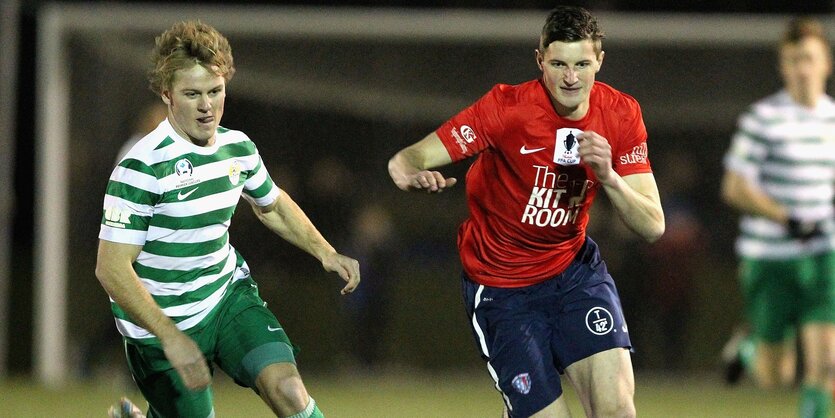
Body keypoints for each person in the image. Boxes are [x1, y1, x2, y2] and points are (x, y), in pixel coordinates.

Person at [388, 6, 664, 418]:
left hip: (575, 276)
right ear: (540, 61)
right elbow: (411, 157)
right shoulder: (505, 108)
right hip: (503, 289)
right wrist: (409, 171)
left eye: (582, 64)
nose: (570, 77)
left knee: (617, 411)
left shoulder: (621, 114)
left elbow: (653, 226)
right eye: (558, 64)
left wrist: (609, 176)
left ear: (599, 61)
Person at [96, 20, 360, 418]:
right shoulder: (141, 166)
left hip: (226, 299)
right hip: (159, 328)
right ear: (167, 94)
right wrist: (170, 337)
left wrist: (325, 252)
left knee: (289, 390)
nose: (207, 106)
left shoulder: (238, 148)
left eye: (215, 92)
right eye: (192, 94)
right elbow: (111, 268)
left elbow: (272, 204)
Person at [720, 16, 835, 418]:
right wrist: (786, 219)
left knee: (825, 368)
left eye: (808, 58)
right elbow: (734, 187)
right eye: (792, 60)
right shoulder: (762, 119)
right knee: (776, 377)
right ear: (782, 67)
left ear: (826, 63)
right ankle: (748, 348)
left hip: (823, 256)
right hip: (768, 259)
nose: (801, 68)